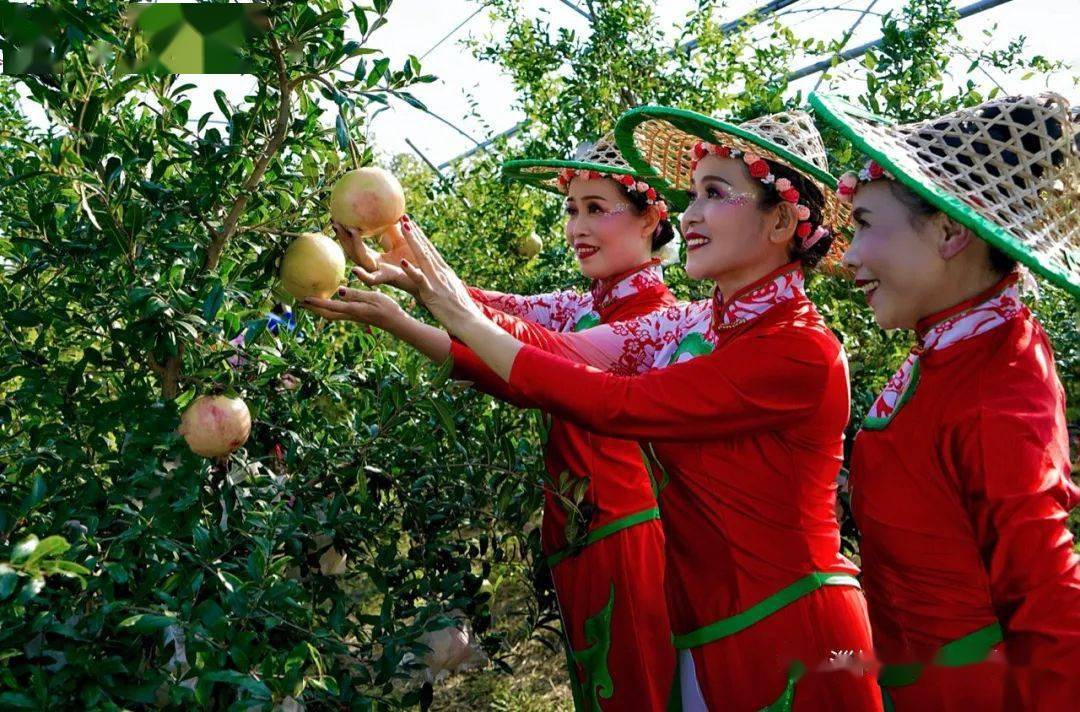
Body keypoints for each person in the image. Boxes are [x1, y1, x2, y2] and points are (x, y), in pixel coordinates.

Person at [331, 107, 882, 711]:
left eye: (715, 194)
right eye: (694, 194)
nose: (691, 214)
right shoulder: (698, 325)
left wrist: (448, 308)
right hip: (708, 625)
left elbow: (610, 400)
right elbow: (555, 352)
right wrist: (417, 281)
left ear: (780, 220)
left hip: (788, 630)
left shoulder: (796, 348)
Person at [307, 135, 681, 711]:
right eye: (571, 209)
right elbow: (488, 309)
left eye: (596, 209)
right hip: (580, 532)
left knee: (641, 692)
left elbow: (517, 356)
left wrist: (405, 313)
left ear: (651, 219)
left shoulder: (656, 323)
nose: (577, 228)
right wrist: (397, 254)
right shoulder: (584, 306)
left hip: (628, 537)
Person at [809, 91, 1080, 711]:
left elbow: (1049, 598)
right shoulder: (955, 344)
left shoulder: (997, 387)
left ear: (952, 231)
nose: (849, 255)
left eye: (865, 224)